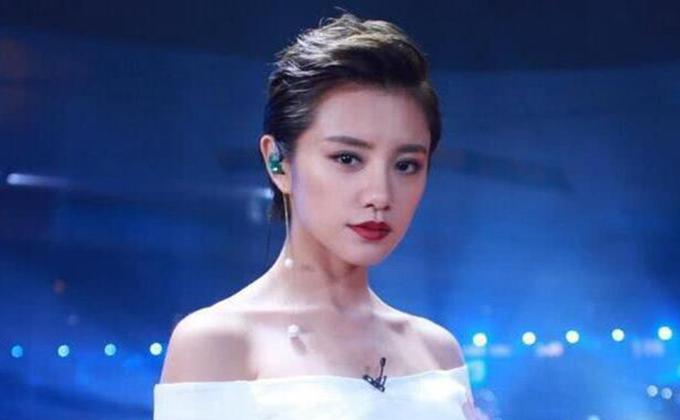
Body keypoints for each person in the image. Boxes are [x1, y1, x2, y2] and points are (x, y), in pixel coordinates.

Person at [154, 11, 485, 420]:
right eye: (347, 158)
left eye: (406, 165)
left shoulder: (437, 351)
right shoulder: (218, 343)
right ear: (278, 162)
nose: (380, 195)